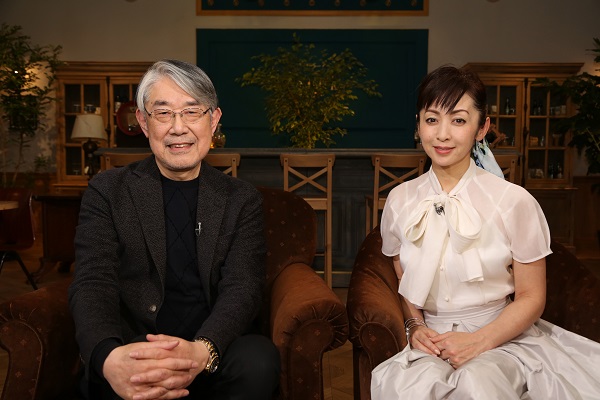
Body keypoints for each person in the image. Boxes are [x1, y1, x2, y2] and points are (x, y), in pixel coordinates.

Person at [371, 65, 600, 399]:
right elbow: (401, 272)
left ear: (482, 128)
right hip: (431, 342)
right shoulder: (399, 199)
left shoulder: (514, 201)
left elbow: (532, 296)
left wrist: (479, 341)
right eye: (432, 119)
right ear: (418, 126)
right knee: (410, 386)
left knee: (478, 384)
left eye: (458, 120)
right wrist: (415, 324)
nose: (442, 134)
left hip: (502, 339)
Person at [68, 59, 280, 400]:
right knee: (136, 365)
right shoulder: (108, 191)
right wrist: (108, 358)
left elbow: (243, 287)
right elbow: (93, 282)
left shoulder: (241, 198)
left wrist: (203, 349)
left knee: (258, 361)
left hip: (213, 348)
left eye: (192, 112)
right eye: (163, 113)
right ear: (143, 122)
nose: (178, 128)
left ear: (213, 120)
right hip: (138, 343)